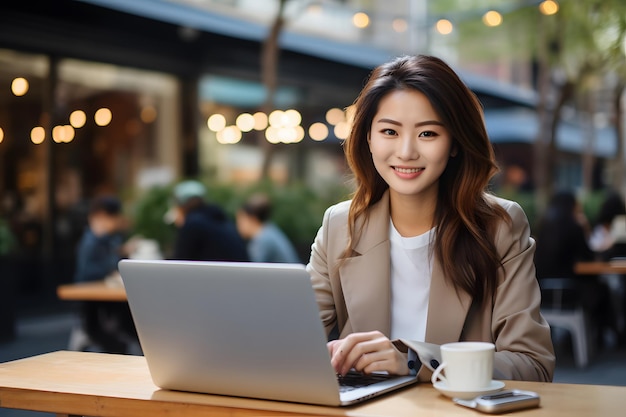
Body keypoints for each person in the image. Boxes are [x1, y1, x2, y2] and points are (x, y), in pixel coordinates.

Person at [306, 55, 555, 383]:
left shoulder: (500, 226)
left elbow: (532, 364)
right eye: (389, 131)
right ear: (368, 138)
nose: (406, 151)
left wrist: (413, 361)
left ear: (454, 143)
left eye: (427, 134)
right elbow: (290, 341)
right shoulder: (340, 226)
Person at [72, 195, 138, 354]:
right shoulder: (92, 241)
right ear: (101, 216)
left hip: (109, 302)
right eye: (114, 218)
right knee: (125, 332)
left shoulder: (110, 239)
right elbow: (88, 273)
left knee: (133, 325)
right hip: (95, 304)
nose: (116, 222)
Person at [169, 180, 248, 262]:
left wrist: (181, 225)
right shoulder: (219, 218)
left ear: (180, 205)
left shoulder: (192, 224)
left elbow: (180, 261)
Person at [236, 193, 301, 263]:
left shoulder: (262, 239)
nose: (238, 226)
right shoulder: (270, 231)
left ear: (253, 219)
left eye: (240, 221)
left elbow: (252, 268)